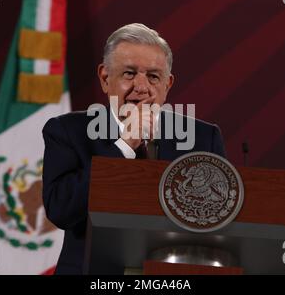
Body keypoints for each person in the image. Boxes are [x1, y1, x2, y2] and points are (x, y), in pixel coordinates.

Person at [42, 23, 226, 274]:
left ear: (167, 84)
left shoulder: (203, 138)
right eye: (129, 73)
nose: (141, 87)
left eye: (153, 76)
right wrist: (125, 146)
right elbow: (61, 210)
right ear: (105, 79)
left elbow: (218, 220)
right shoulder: (68, 131)